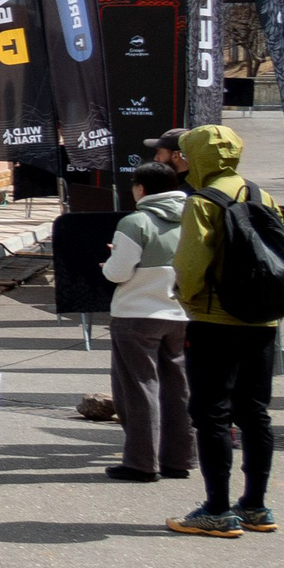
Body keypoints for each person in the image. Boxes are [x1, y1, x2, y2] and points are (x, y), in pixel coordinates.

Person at [168, 123, 284, 537]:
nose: (181, 160)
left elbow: (190, 263)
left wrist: (186, 295)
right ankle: (255, 505)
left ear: (200, 157)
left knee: (211, 413)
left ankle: (216, 509)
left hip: (216, 319)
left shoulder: (203, 200)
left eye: (185, 153)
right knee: (255, 412)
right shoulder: (260, 193)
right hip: (264, 319)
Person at [97, 162, 193, 484]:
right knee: (178, 388)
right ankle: (179, 460)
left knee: (138, 390)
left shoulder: (135, 221)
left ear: (140, 189)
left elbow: (119, 272)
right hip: (180, 313)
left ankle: (141, 463)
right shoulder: (193, 217)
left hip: (136, 314)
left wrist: (108, 263)